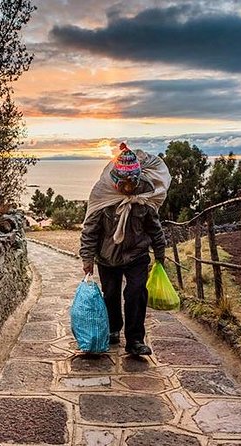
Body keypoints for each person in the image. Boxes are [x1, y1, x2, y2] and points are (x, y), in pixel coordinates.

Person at [79, 142, 170, 356]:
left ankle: (135, 340)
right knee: (110, 294)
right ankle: (113, 329)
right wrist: (87, 258)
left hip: (137, 255)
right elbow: (90, 230)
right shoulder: (104, 198)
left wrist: (159, 255)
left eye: (132, 182)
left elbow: (155, 229)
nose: (128, 187)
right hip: (107, 257)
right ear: (116, 180)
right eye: (125, 183)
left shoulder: (144, 199)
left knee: (136, 294)